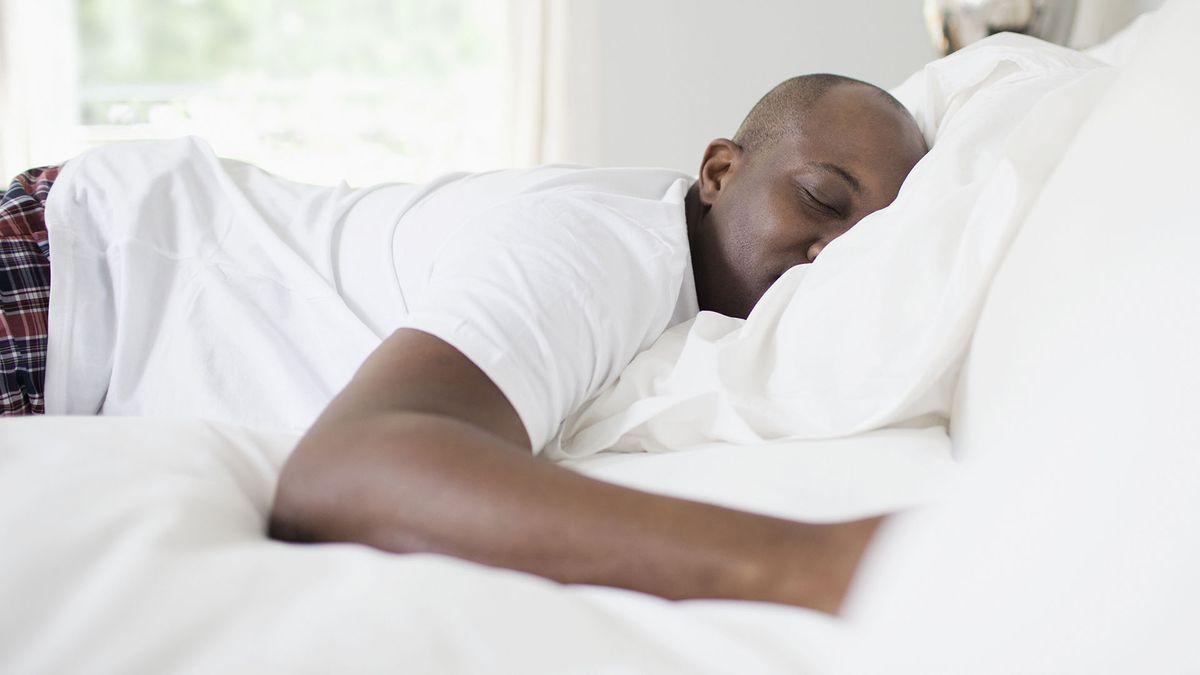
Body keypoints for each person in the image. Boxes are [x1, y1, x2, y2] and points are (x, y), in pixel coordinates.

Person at [0, 73, 927, 611]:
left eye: (874, 239)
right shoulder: (606, 247)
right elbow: (354, 469)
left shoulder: (681, 289)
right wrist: (829, 562)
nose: (835, 251)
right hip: (72, 276)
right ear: (721, 171)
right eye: (821, 197)